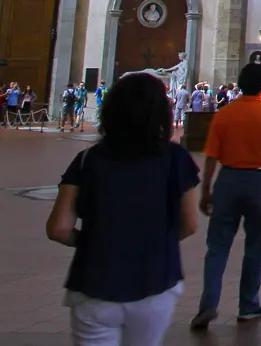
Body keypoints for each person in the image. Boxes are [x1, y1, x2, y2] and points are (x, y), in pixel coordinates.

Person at [46, 72, 201, 346]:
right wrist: (154, 242)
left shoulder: (88, 160)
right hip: (155, 279)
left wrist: (92, 241)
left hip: (94, 281)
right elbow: (189, 223)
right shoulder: (176, 158)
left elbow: (59, 228)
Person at [191, 63, 261, 331]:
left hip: (229, 179)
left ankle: (209, 303)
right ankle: (248, 305)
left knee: (218, 246)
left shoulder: (224, 115)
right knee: (255, 245)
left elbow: (211, 156)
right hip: (259, 180)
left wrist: (206, 190)